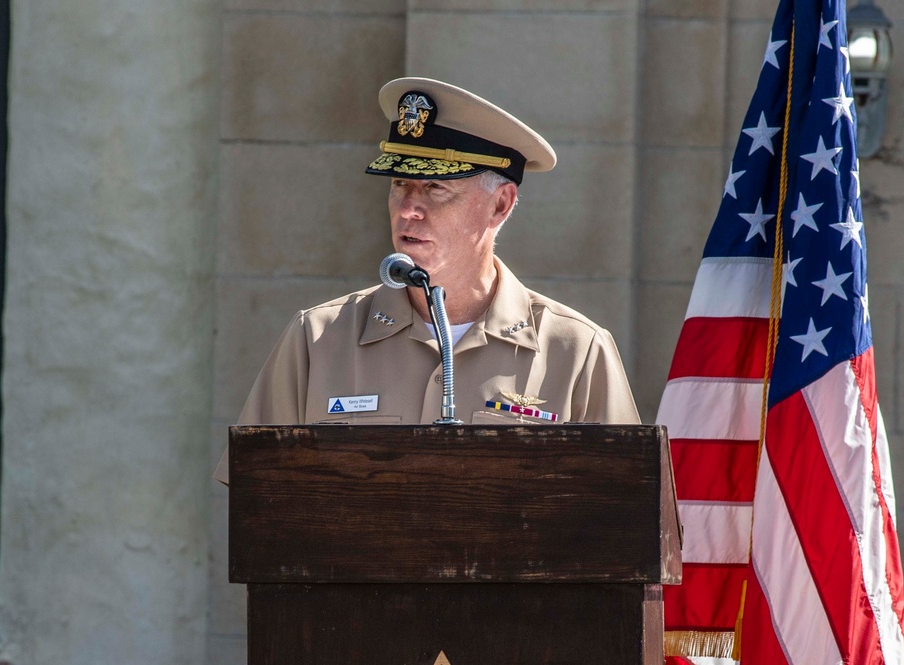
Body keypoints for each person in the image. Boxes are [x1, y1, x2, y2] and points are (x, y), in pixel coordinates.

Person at [215, 77, 638, 484]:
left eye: (435, 187)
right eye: (400, 184)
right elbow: (260, 495)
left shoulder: (576, 351)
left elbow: (623, 513)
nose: (409, 209)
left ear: (500, 205)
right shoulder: (318, 338)